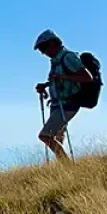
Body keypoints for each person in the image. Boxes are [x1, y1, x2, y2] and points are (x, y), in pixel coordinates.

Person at [34, 29, 94, 162]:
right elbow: (59, 80)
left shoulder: (68, 57)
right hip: (58, 104)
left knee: (45, 136)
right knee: (57, 137)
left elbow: (87, 77)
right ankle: (63, 171)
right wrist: (45, 85)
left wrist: (61, 76)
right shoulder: (56, 60)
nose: (43, 52)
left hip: (68, 103)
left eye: (43, 48)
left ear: (52, 44)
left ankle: (68, 167)